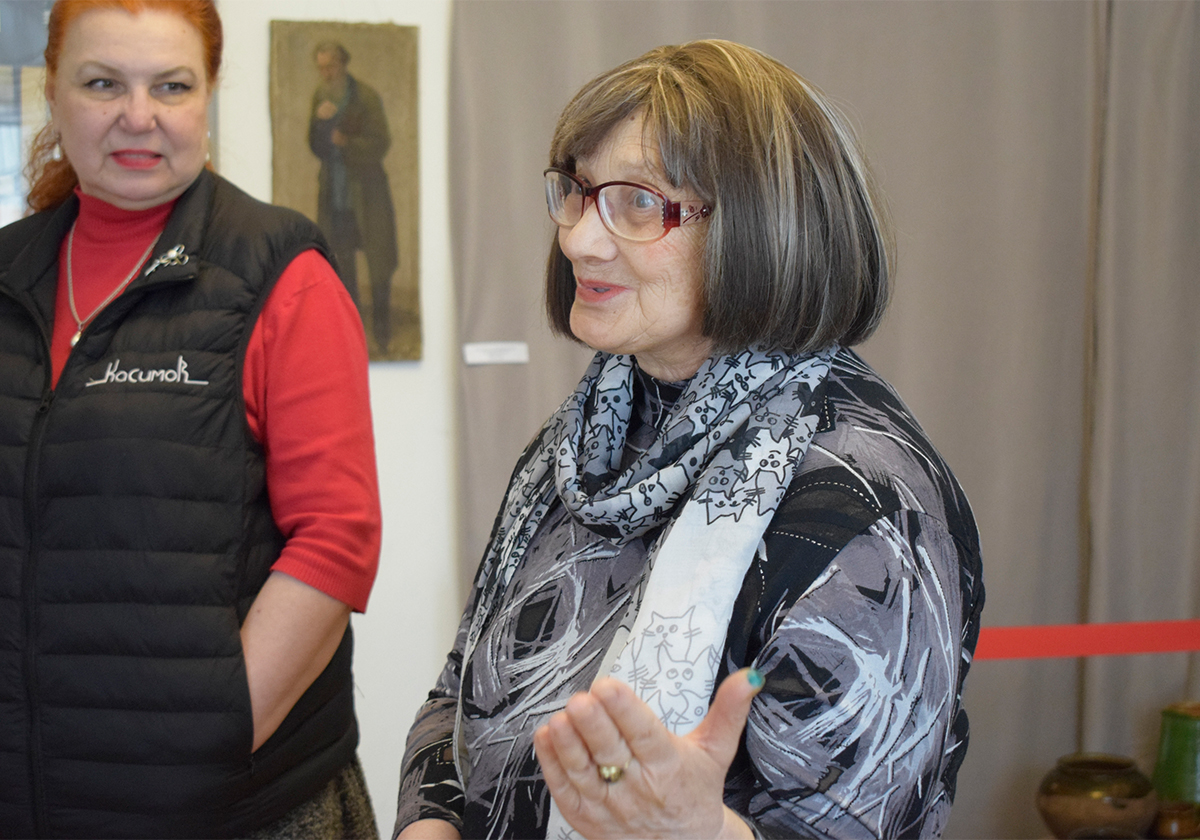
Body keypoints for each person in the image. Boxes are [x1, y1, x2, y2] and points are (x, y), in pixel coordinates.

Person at [394, 40, 984, 840]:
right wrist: (431, 827)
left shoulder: (863, 503)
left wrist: (698, 832)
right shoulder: (578, 446)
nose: (579, 240)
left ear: (762, 229)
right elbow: (459, 693)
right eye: (579, 191)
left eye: (639, 203)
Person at [0, 2, 381, 836]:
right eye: (103, 84)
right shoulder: (9, 271)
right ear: (52, 91)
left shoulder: (281, 272)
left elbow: (336, 538)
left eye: (170, 86)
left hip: (228, 806)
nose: (138, 116)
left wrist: (213, 739)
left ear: (208, 94)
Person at [308, 40, 399, 355]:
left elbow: (381, 142)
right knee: (341, 265)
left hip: (367, 195)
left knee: (379, 264)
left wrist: (346, 142)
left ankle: (383, 333)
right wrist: (321, 125)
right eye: (321, 68)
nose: (326, 74)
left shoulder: (366, 97)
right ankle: (351, 337)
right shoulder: (320, 96)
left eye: (330, 67)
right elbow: (315, 145)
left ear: (343, 64)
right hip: (335, 198)